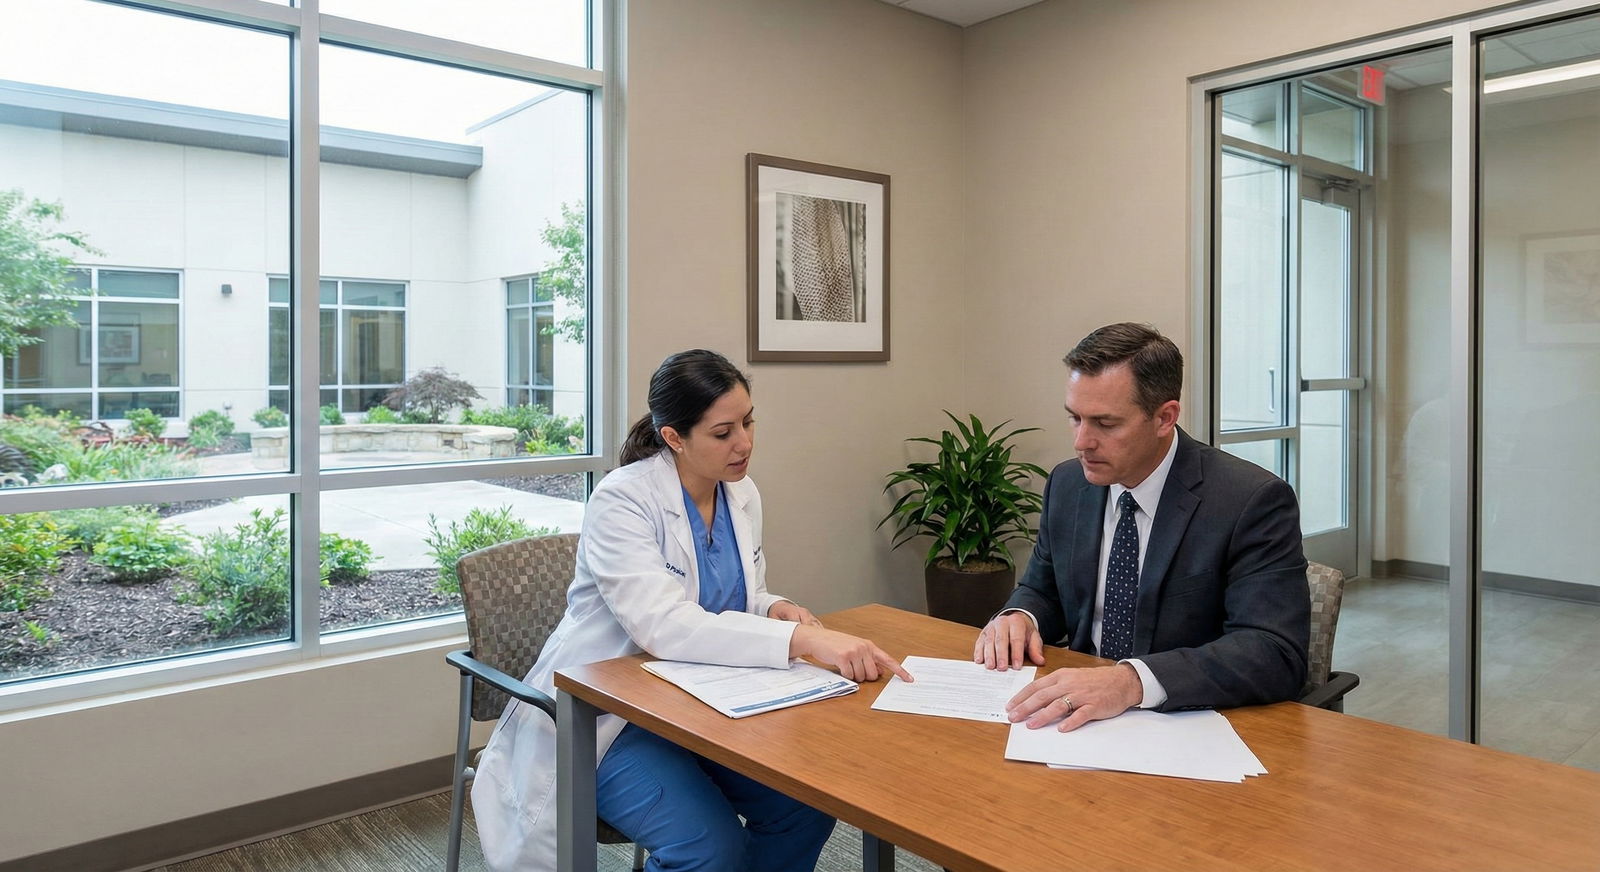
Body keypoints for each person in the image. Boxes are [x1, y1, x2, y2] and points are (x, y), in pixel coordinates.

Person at [473, 348, 911, 872]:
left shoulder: (740, 493)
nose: (744, 443)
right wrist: (805, 641)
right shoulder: (622, 500)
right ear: (674, 437)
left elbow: (735, 597)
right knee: (708, 848)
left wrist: (777, 608)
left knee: (805, 807)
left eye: (748, 422)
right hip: (612, 717)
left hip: (704, 705)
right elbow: (664, 624)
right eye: (723, 433)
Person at [974, 323, 1309, 733]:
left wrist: (1131, 681)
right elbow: (1044, 589)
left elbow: (1274, 652)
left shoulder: (1249, 500)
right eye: (1075, 418)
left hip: (1189, 725)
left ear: (1164, 417)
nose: (1081, 442)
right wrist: (1021, 616)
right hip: (1077, 716)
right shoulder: (1068, 483)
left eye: (1105, 423)